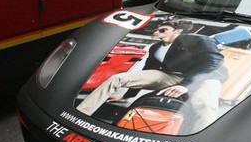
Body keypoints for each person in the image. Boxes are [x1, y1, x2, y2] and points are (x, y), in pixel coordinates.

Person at [77, 20, 228, 132]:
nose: (157, 32)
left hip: (205, 76)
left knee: (203, 104)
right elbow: (147, 69)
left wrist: (186, 85)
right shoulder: (155, 47)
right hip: (171, 76)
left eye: (164, 30)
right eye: (157, 30)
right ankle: (82, 113)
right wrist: (128, 95)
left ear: (177, 31)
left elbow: (214, 62)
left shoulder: (197, 39)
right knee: (117, 78)